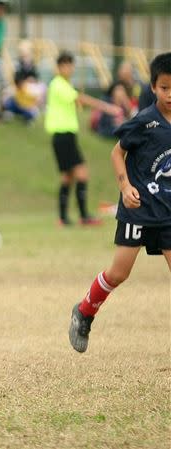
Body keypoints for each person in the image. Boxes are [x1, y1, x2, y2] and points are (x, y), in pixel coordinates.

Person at [68, 52, 171, 353]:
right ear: (153, 87)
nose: (170, 94)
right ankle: (85, 312)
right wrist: (125, 186)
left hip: (167, 212)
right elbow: (117, 153)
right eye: (164, 87)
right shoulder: (144, 122)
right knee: (119, 273)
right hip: (138, 210)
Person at [45, 52, 122, 227]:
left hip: (64, 136)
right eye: (66, 65)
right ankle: (83, 216)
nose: (70, 68)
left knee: (67, 177)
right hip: (63, 135)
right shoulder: (58, 84)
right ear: (59, 67)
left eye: (71, 65)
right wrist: (108, 108)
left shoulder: (63, 84)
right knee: (82, 173)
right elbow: (80, 98)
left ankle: (63, 218)